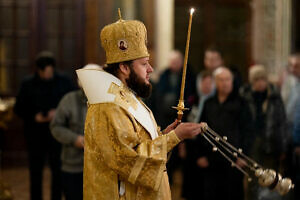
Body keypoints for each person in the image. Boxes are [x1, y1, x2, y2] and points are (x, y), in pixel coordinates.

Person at [76, 16, 206, 200]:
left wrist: (163, 136)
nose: (151, 69)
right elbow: (128, 159)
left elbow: (138, 142)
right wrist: (174, 137)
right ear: (124, 68)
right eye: (144, 64)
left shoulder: (127, 96)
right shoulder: (108, 105)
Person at [14, 51, 74, 200]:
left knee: (57, 171)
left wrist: (58, 112)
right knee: (35, 171)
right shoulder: (27, 83)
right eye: (45, 72)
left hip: (57, 134)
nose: (48, 75)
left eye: (50, 71)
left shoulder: (64, 81)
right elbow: (18, 108)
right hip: (35, 133)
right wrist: (35, 116)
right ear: (39, 70)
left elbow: (72, 104)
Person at [196, 67, 253, 200]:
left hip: (234, 159)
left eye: (228, 79)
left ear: (232, 81)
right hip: (211, 159)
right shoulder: (209, 103)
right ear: (216, 82)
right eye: (221, 80)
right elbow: (200, 129)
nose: (225, 83)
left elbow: (249, 131)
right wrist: (200, 154)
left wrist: (244, 156)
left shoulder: (241, 103)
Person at [50, 64, 101, 200]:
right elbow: (56, 126)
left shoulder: (107, 102)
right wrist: (74, 139)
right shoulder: (69, 100)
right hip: (73, 165)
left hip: (100, 167)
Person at [240, 65, 288, 200]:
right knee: (253, 179)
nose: (260, 82)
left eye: (263, 79)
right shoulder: (245, 96)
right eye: (257, 79)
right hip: (252, 143)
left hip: (271, 143)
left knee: (271, 179)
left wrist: (283, 147)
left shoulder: (274, 97)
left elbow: (282, 122)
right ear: (252, 81)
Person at [181, 70, 214, 200]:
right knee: (190, 184)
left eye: (209, 83)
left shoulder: (214, 102)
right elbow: (184, 121)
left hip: (205, 148)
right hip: (190, 146)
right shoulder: (192, 99)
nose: (206, 86)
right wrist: (182, 144)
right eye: (203, 83)